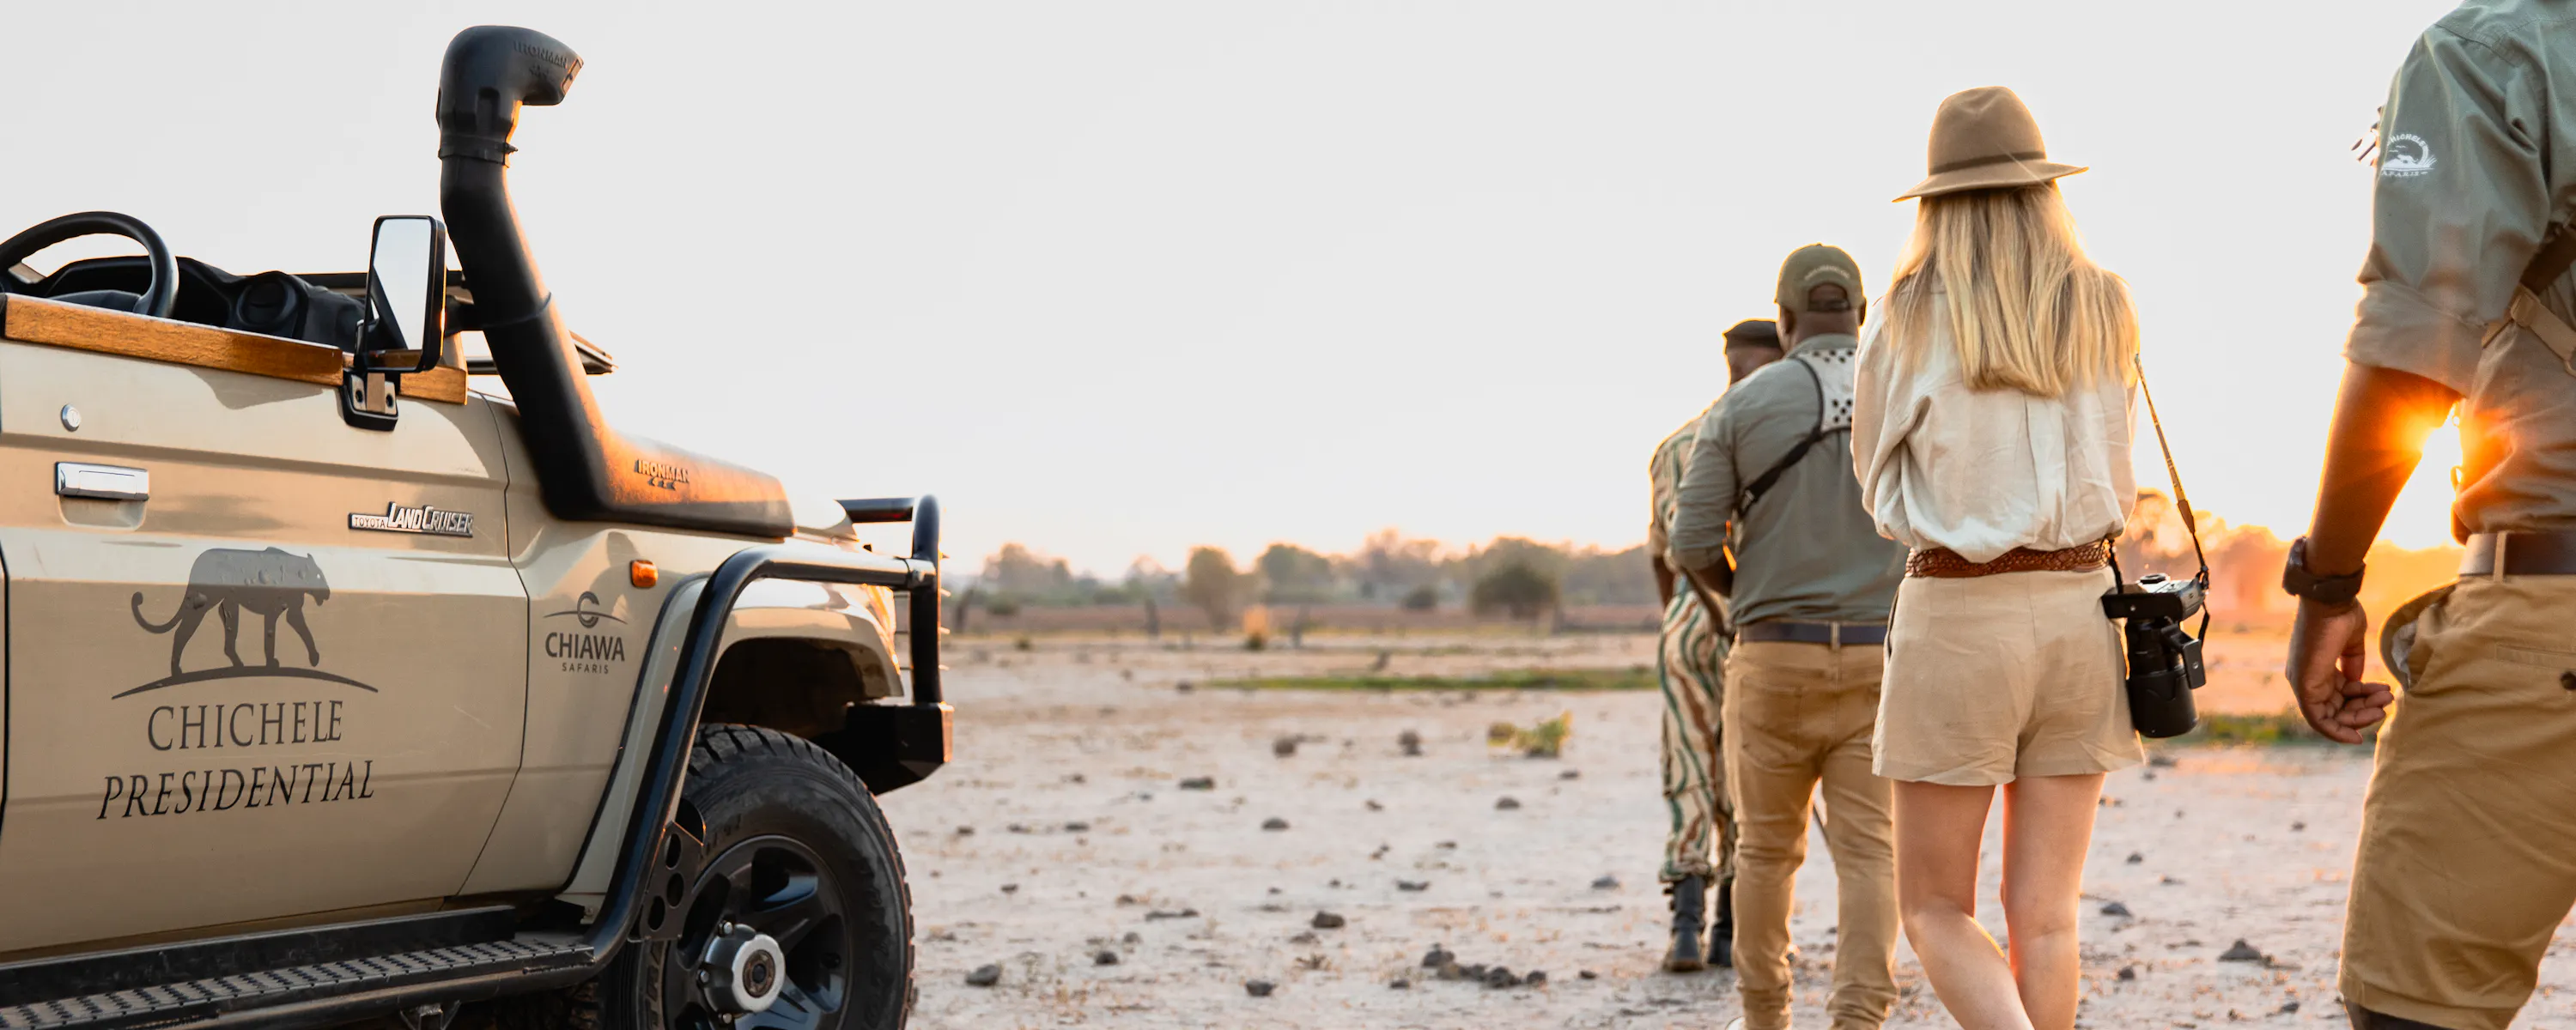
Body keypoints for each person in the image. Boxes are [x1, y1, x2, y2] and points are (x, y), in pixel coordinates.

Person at [2282, 5, 2576, 1027]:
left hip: (2551, 626)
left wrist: (2328, 581)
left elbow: (2416, 345)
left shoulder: (2494, 54)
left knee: (2416, 1011)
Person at [1850, 86, 2144, 1030]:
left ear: (1936, 202)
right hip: (2083, 610)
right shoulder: (2105, 304)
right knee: (2048, 917)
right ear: (2044, 190)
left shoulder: (1905, 313)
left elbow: (1875, 481)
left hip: (1959, 611)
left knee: (1934, 908)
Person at [1672, 245, 1906, 1030]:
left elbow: (1692, 543)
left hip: (1772, 653)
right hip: (1883, 656)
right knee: (1872, 854)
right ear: (1864, 314)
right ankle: (1859, 1019)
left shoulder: (1741, 407)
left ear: (1784, 319)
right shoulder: (1909, 394)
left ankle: (1765, 1017)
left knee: (1766, 854)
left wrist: (1750, 598)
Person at [1646, 318, 1783, 972]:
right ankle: (1731, 932)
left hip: (1685, 625)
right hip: (1760, 622)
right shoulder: (1779, 435)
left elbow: (1666, 556)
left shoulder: (1674, 446)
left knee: (1688, 771)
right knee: (1749, 779)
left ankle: (1683, 926)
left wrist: (1681, 617)